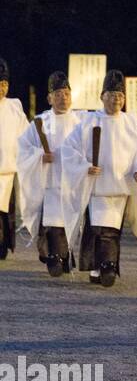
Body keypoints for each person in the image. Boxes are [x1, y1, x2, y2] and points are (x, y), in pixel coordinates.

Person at [61, 70, 137, 287]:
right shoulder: (88, 121)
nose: (115, 100)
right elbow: (69, 149)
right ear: (102, 97)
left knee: (111, 230)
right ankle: (95, 266)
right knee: (96, 229)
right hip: (96, 187)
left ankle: (108, 265)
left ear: (125, 99)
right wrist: (84, 167)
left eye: (119, 96)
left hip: (120, 187)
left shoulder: (130, 124)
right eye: (111, 95)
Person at [16, 72, 82, 277]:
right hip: (49, 182)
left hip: (73, 182)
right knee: (53, 223)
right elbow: (23, 149)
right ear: (50, 98)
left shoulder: (81, 121)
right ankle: (55, 256)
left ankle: (66, 254)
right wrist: (39, 156)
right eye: (59, 94)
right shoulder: (41, 121)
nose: (63, 98)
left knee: (71, 222)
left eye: (67, 93)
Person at [0, 58, 29, 261]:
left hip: (8, 172)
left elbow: (26, 136)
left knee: (5, 212)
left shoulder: (14, 107)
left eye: (4, 84)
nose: (2, 88)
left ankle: (3, 246)